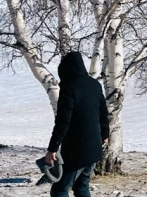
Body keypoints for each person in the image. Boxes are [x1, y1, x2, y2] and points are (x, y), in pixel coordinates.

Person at [44, 52, 110, 197]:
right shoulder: (95, 85)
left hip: (76, 151)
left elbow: (63, 121)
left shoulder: (69, 88)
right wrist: (105, 134)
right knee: (81, 187)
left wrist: (52, 148)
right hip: (94, 147)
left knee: (60, 190)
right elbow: (103, 113)